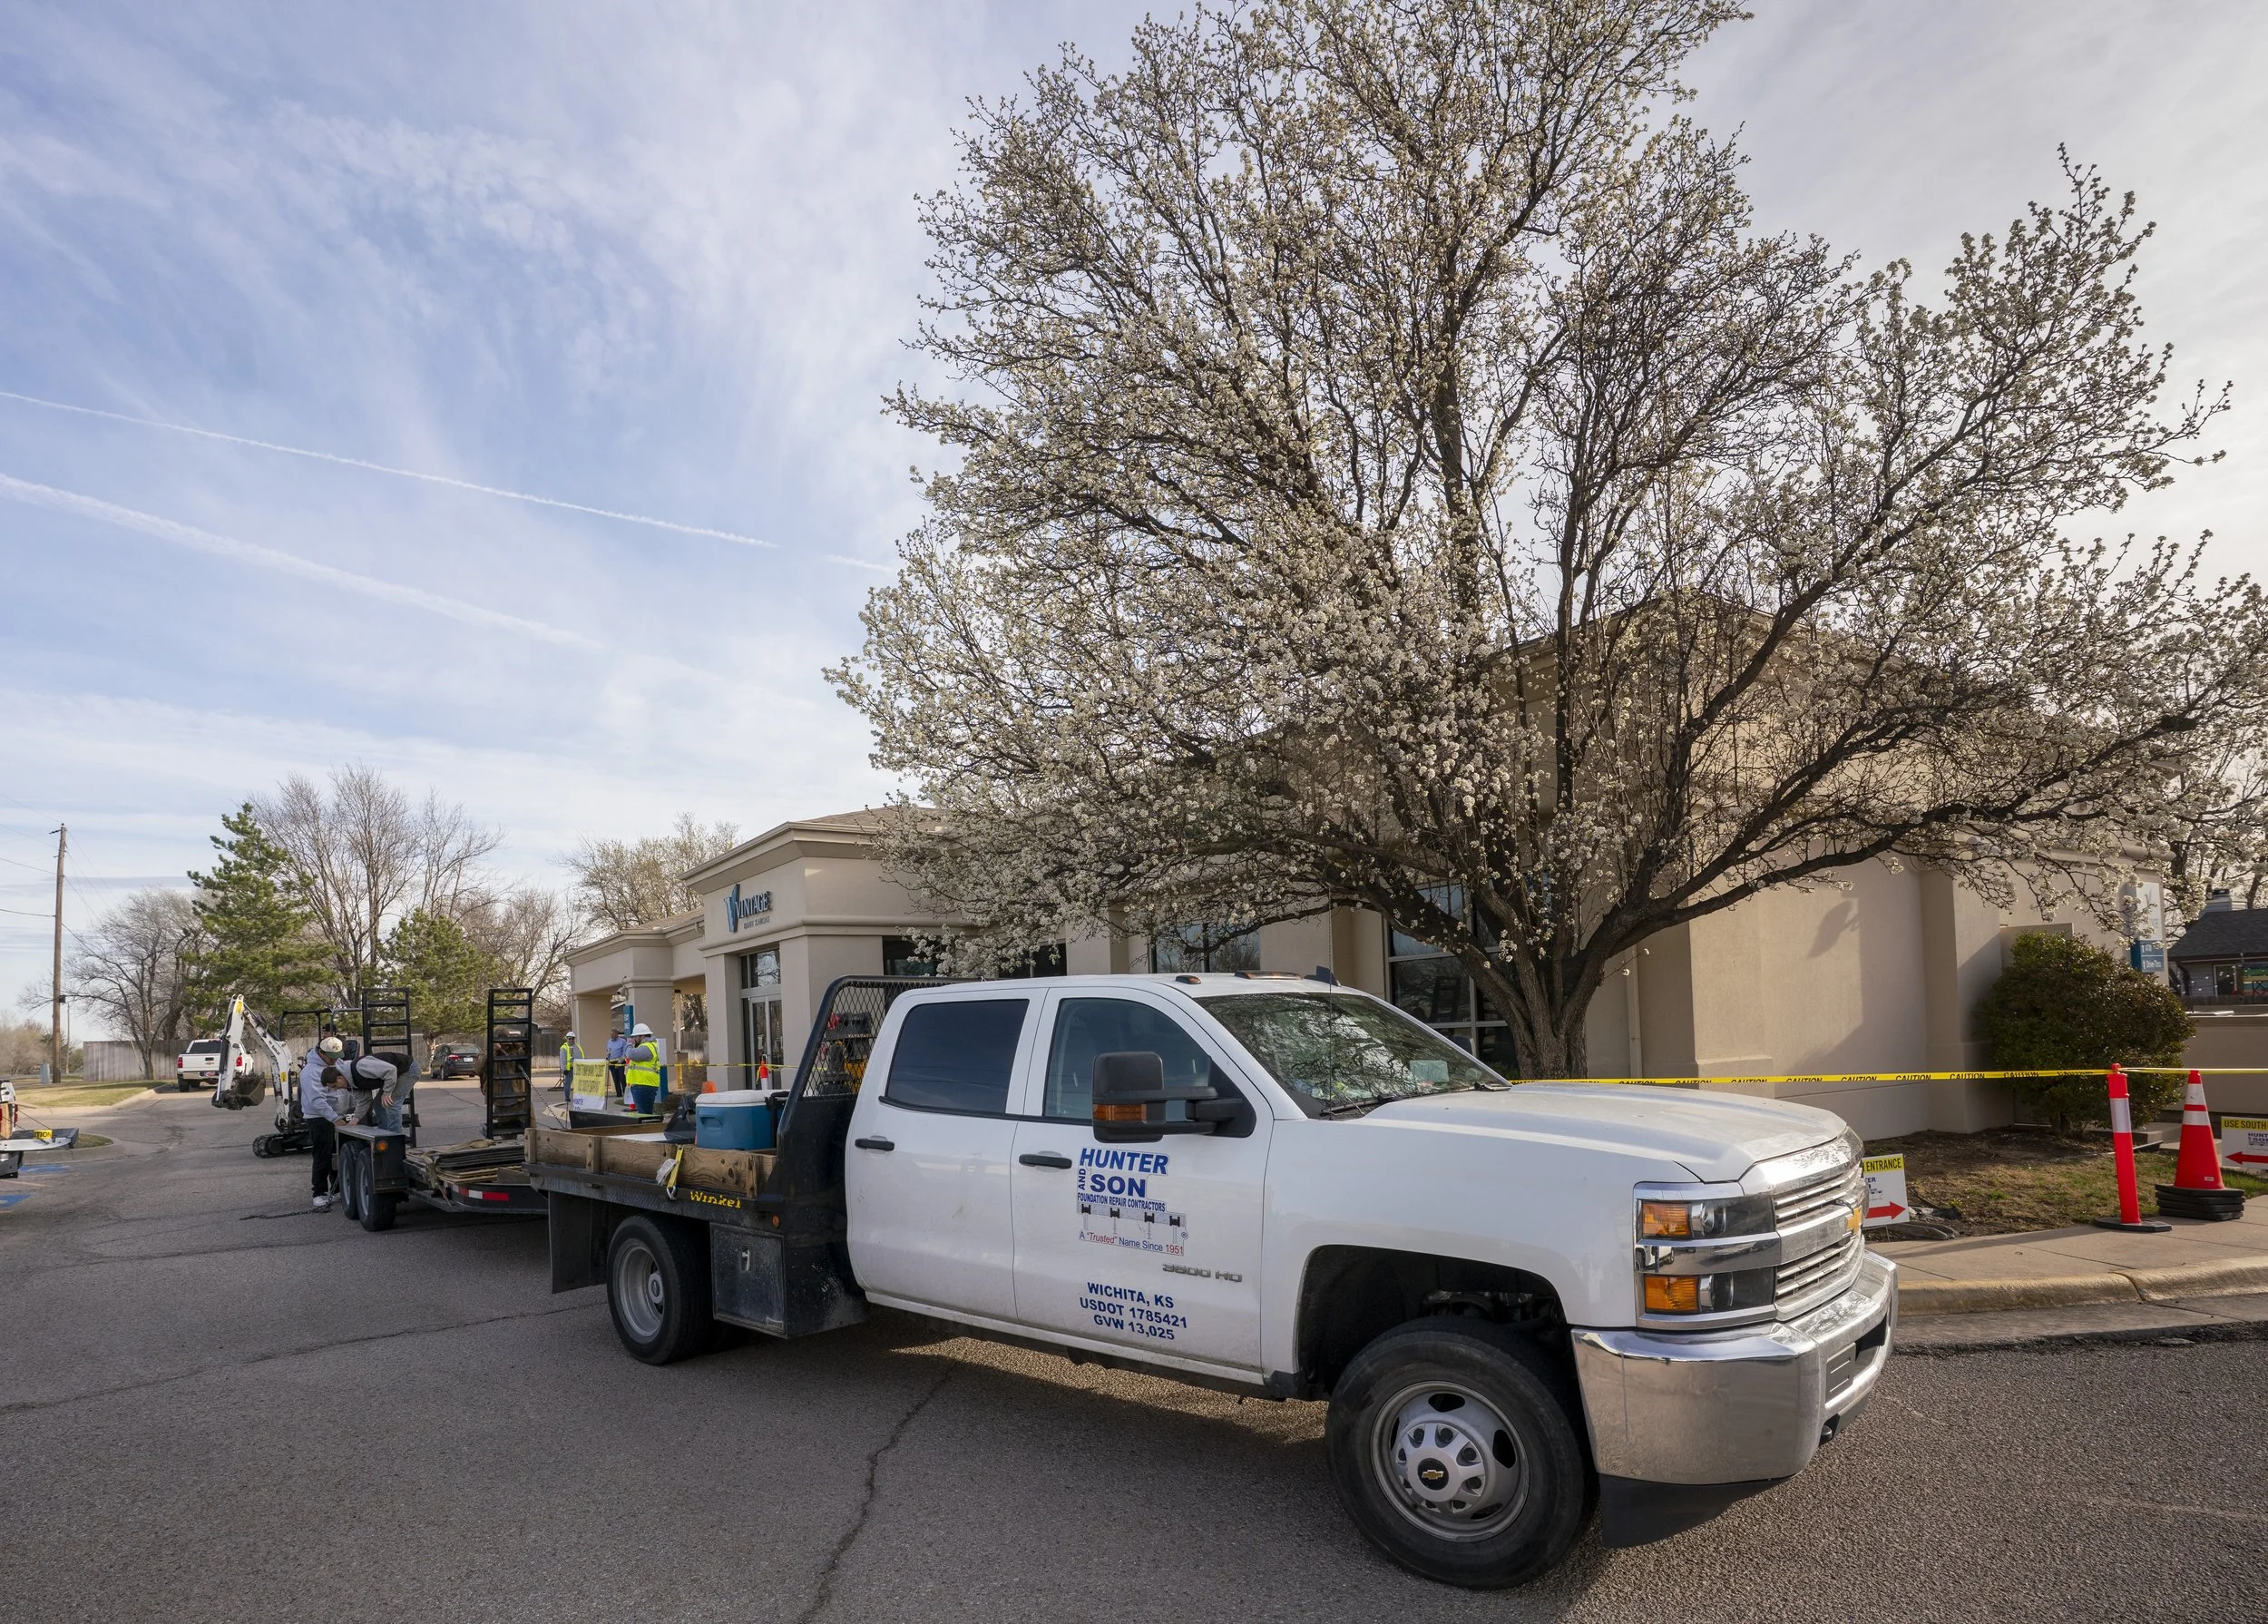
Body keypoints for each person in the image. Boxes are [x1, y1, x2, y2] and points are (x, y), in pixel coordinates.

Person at [304, 1059, 347, 1211]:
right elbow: (317, 1100)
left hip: (336, 1116)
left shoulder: (337, 1063)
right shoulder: (310, 1071)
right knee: (323, 1155)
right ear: (321, 1053)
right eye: (331, 1056)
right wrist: (335, 1119)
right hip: (319, 1118)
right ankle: (319, 1193)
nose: (334, 1059)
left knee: (337, 1154)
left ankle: (337, 1190)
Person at [348, 1049, 414, 1131]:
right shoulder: (352, 1080)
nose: (337, 1089)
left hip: (407, 1069)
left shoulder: (360, 1066)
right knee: (378, 1105)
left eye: (335, 1086)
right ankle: (384, 1136)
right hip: (396, 1074)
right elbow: (365, 1101)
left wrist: (387, 1092)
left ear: (339, 1078)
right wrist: (355, 1120)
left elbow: (391, 1070)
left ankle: (395, 1140)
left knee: (391, 1104)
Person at [623, 1022, 662, 1115]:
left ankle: (650, 1129)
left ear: (642, 1036)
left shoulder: (646, 1047)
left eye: (635, 1037)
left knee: (645, 1114)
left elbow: (631, 1054)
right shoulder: (647, 1046)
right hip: (642, 1084)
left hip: (644, 1085)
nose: (634, 1039)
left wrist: (629, 1044)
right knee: (644, 1113)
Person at [605, 1026, 629, 1102]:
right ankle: (619, 1093)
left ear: (617, 1034)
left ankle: (625, 1092)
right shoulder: (609, 1042)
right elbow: (607, 1051)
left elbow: (624, 1052)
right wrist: (607, 1058)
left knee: (621, 1077)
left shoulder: (622, 1041)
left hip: (620, 1062)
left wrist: (620, 1061)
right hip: (611, 1062)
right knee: (615, 1078)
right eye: (611, 1034)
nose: (612, 1035)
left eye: (613, 1034)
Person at [558, 1030, 582, 1106]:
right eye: (569, 1038)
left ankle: (580, 1096)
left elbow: (582, 1055)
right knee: (568, 1084)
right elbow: (563, 1059)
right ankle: (567, 1097)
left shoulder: (578, 1046)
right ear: (567, 1039)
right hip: (569, 1069)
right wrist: (564, 1069)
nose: (571, 1040)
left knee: (579, 1083)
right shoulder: (564, 1048)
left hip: (578, 1067)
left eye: (572, 1038)